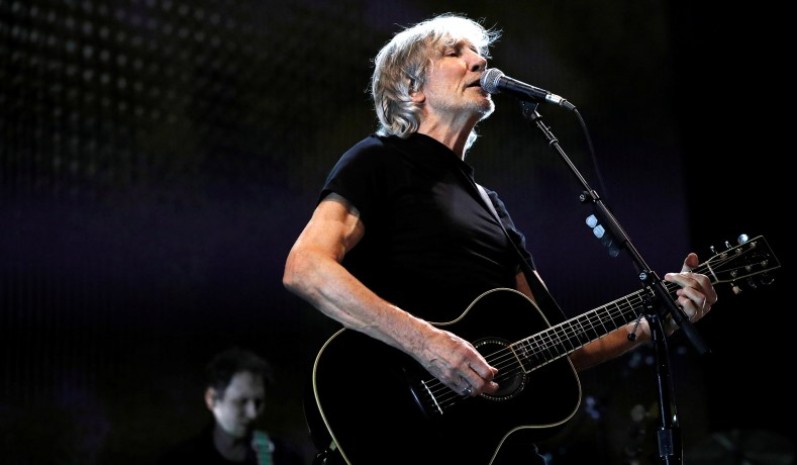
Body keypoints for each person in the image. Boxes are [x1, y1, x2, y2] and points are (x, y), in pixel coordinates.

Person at [282, 13, 717, 465]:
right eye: (455, 53)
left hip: (490, 446)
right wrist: (428, 345)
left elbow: (554, 347)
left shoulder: (490, 205)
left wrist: (653, 323)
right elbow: (306, 268)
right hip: (391, 422)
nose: (478, 61)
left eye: (478, 52)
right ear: (412, 89)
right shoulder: (376, 160)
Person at [158, 347, 306, 465]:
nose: (253, 413)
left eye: (258, 402)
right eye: (241, 401)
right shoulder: (180, 460)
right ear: (212, 399)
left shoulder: (285, 456)